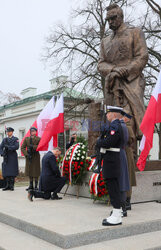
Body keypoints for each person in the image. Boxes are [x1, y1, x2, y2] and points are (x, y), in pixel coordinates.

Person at [98, 4, 148, 139]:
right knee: (112, 124)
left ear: (121, 16)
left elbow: (142, 56)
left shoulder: (135, 32)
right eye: (108, 19)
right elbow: (101, 64)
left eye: (113, 18)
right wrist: (114, 70)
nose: (110, 22)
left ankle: (131, 157)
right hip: (112, 86)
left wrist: (125, 70)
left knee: (128, 123)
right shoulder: (105, 41)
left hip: (131, 83)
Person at [96, 106, 124, 226]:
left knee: (113, 187)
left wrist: (99, 142)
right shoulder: (116, 125)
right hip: (112, 159)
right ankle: (117, 212)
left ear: (113, 114)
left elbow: (109, 142)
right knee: (114, 187)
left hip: (111, 160)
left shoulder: (114, 126)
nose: (107, 115)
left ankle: (117, 215)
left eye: (108, 113)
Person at [122, 111, 137, 210]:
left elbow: (131, 139)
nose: (122, 118)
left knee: (128, 176)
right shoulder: (125, 126)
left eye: (123, 117)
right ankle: (126, 200)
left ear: (127, 118)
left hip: (127, 153)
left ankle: (127, 201)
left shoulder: (127, 127)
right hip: (125, 152)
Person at [119, 111, 130, 216]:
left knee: (122, 182)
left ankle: (123, 208)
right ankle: (123, 207)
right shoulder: (123, 126)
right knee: (123, 181)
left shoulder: (123, 127)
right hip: (122, 153)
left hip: (123, 154)